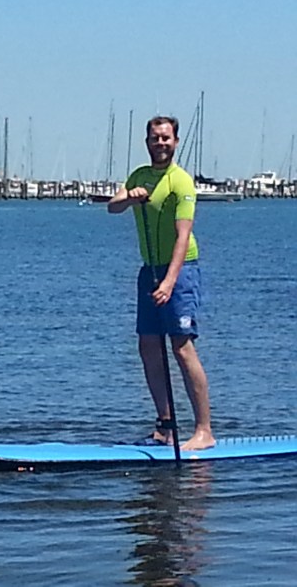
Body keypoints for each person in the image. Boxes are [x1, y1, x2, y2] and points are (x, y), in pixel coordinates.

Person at [108, 116, 215, 451]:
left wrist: (169, 282)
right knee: (148, 346)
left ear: (176, 142)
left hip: (180, 271)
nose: (161, 143)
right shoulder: (139, 175)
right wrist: (130, 197)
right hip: (149, 269)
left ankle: (204, 431)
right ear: (147, 142)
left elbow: (183, 237)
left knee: (181, 347)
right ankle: (166, 426)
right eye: (155, 138)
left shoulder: (181, 182)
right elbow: (113, 207)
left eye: (166, 138)